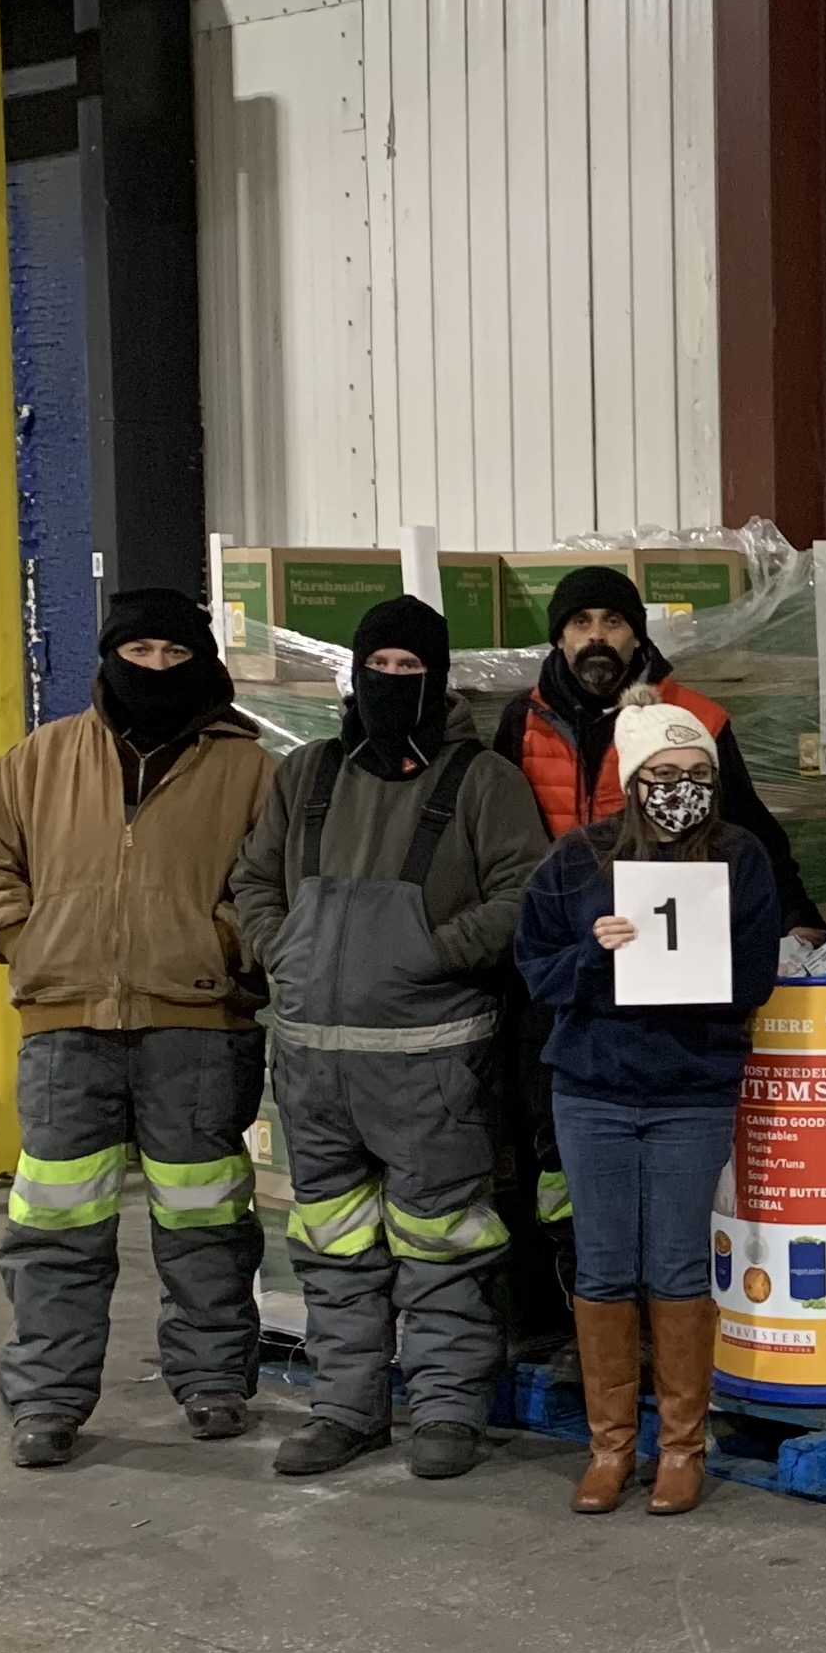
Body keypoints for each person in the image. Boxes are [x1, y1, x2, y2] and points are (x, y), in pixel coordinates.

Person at [0, 589, 278, 1469]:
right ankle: (49, 1399)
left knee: (206, 1221)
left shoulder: (251, 770)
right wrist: (25, 938)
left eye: (177, 656)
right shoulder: (40, 759)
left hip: (200, 1027)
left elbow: (275, 887)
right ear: (108, 658)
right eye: (141, 655)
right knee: (55, 1227)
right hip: (66, 1028)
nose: (159, 671)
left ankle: (213, 1383)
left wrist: (221, 943)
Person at [230, 596, 550, 1481]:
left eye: (412, 670)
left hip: (431, 1062)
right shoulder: (305, 775)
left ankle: (448, 1412)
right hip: (311, 1065)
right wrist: (281, 947)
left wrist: (432, 954)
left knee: (441, 1241)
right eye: (381, 667)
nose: (392, 682)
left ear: (436, 680)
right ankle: (345, 1411)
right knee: (332, 1247)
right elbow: (252, 878)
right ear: (354, 673)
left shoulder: (481, 782)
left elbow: (525, 893)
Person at [491, 564, 823, 1330]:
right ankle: (571, 1346)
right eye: (581, 623)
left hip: (684, 1052)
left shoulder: (695, 717)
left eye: (612, 621)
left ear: (637, 633)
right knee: (566, 1195)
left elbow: (754, 831)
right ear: (561, 635)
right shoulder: (524, 721)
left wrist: (799, 918)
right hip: (585, 1019)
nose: (597, 636)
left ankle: (674, 1433)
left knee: (675, 1254)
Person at [513, 686, 780, 1516]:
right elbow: (534, 969)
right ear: (631, 777)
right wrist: (595, 958)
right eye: (662, 769)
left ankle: (681, 1450)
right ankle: (609, 1448)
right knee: (601, 1268)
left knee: (674, 1266)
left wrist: (693, 970)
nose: (680, 784)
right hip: (591, 1089)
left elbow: (754, 979)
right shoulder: (575, 862)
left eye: (695, 769)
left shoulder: (740, 859)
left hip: (691, 1092)